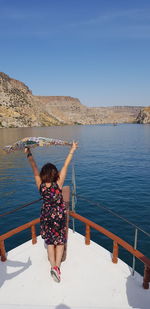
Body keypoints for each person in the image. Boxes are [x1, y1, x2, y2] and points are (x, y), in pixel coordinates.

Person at [25, 141, 78, 282]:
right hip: (59, 216)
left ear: (43, 174)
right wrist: (72, 149)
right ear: (55, 173)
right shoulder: (58, 184)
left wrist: (28, 152)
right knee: (60, 242)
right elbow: (66, 165)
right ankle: (57, 268)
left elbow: (34, 166)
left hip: (46, 215)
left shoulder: (40, 185)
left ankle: (52, 265)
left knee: (50, 242)